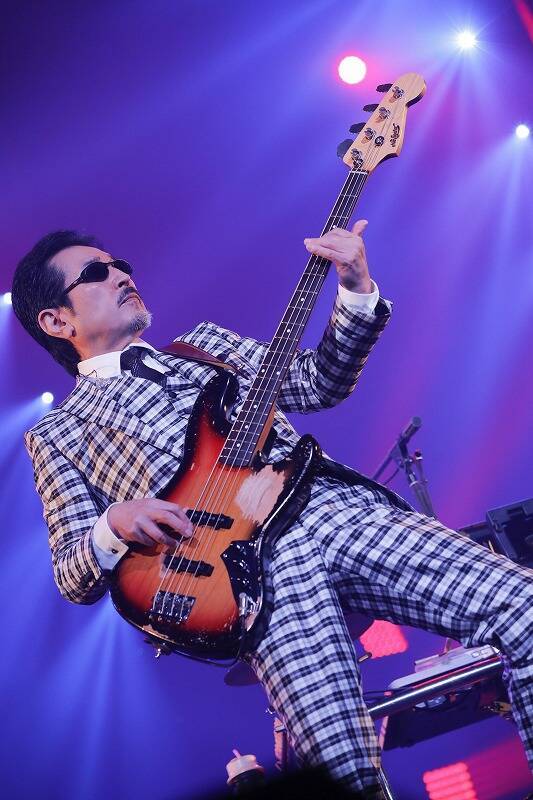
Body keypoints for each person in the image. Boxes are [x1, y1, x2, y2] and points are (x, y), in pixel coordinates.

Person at [12, 225, 533, 797]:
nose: (121, 275)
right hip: (253, 579)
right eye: (96, 273)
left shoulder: (204, 347)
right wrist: (112, 524)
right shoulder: (60, 433)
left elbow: (317, 383)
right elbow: (71, 572)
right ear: (56, 321)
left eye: (121, 264)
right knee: (343, 773)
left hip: (332, 511)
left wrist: (355, 288)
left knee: (524, 607)